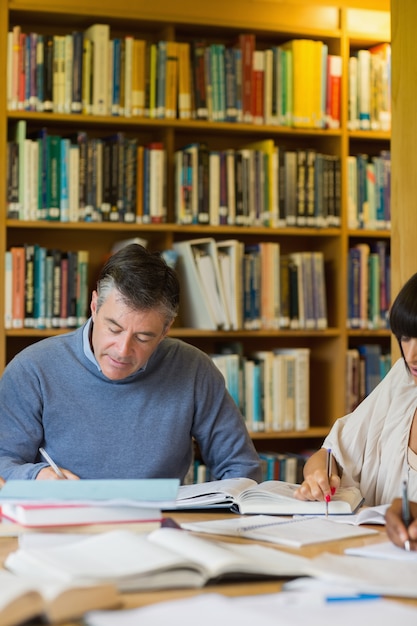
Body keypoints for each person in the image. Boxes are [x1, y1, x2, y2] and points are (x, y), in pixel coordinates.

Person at [0, 244, 262, 483]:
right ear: (94, 306)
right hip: (63, 525)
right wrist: (37, 476)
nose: (123, 350)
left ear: (166, 329)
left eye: (143, 337)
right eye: (114, 329)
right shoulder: (32, 369)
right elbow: (3, 461)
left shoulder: (194, 369)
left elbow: (242, 468)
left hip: (158, 527)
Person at [294, 271, 417, 507]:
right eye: (405, 337)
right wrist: (319, 475)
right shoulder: (401, 380)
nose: (411, 356)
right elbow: (331, 455)